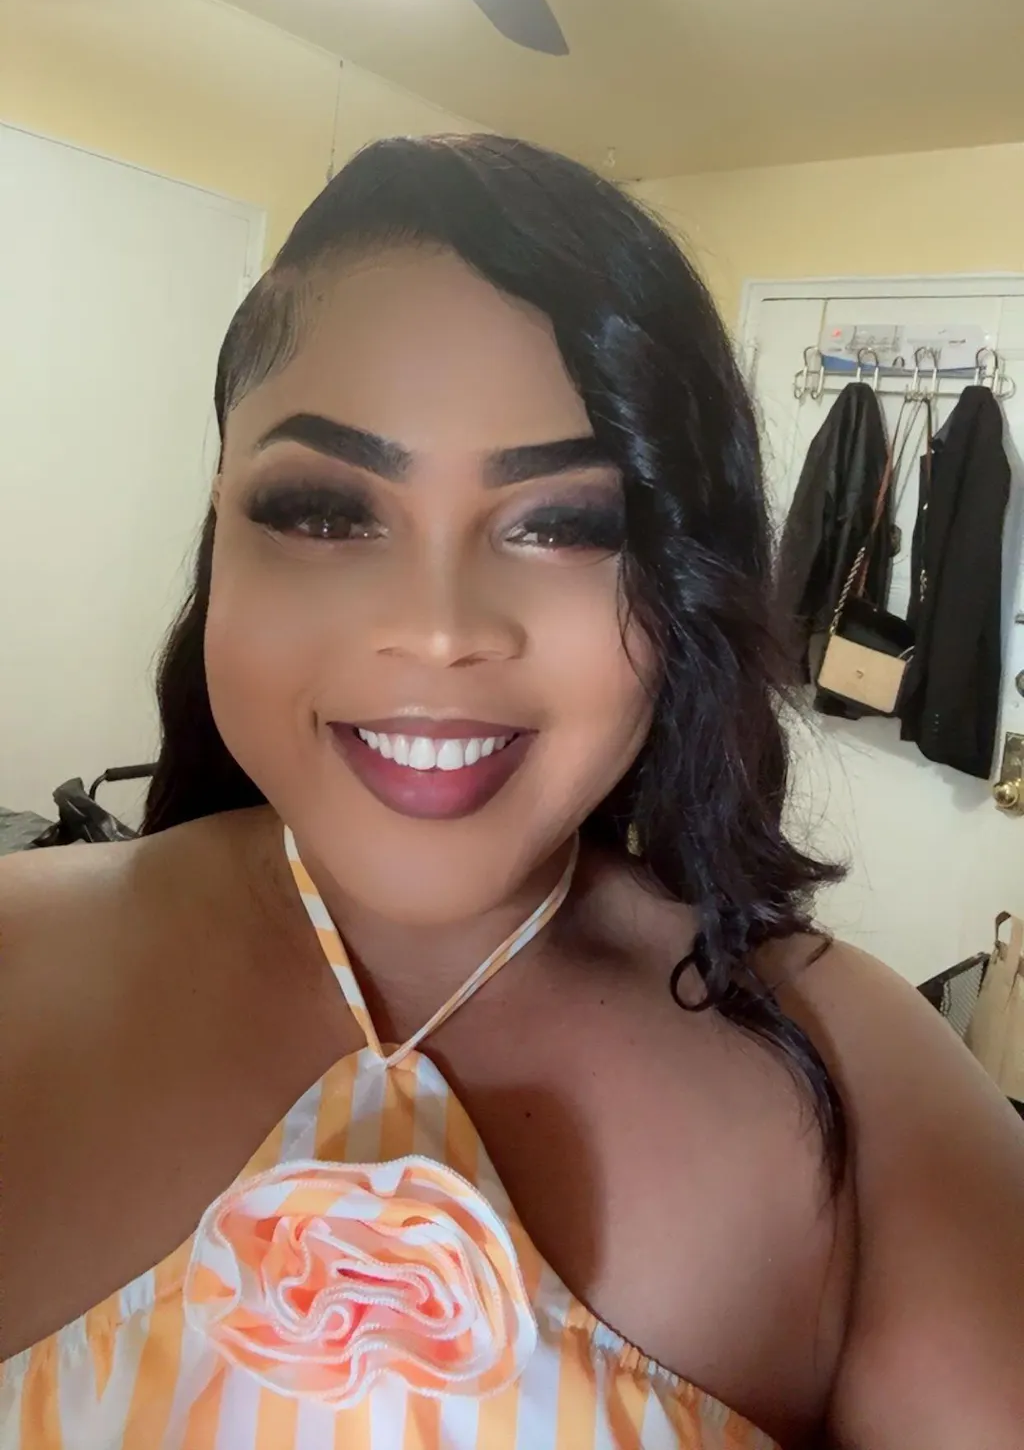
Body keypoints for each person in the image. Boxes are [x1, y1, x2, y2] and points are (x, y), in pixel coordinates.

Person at [2, 135, 1022, 1450]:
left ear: (685, 580)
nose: (438, 630)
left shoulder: (863, 1084)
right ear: (221, 530)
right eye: (326, 510)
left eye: (565, 524)